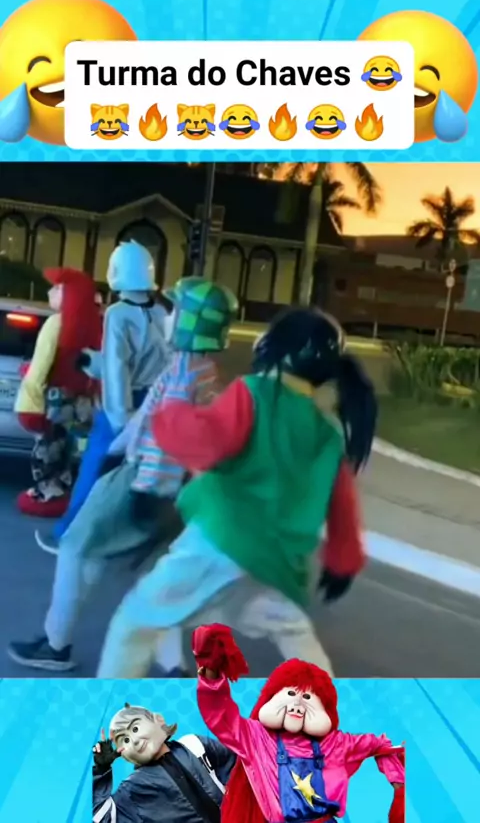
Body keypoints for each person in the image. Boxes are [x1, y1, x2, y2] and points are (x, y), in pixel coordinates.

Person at [95, 306, 376, 680]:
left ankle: (106, 710)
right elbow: (343, 508)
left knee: (135, 623)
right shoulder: (328, 434)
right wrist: (343, 563)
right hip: (275, 561)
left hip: (218, 542)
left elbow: (205, 443)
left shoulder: (253, 393)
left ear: (278, 348)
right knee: (291, 631)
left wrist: (174, 406)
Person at [8, 277, 238, 674]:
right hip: (173, 487)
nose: (169, 316)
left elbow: (166, 438)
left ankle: (55, 645)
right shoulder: (202, 370)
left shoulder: (183, 375)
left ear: (191, 321)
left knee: (76, 547)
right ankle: (175, 667)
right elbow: (147, 420)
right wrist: (112, 453)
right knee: (152, 575)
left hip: (145, 481)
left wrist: (145, 489)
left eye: (176, 310)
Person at [35, 239, 170, 555]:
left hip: (121, 404)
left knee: (94, 469)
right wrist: (92, 362)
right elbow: (153, 360)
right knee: (138, 473)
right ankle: (126, 537)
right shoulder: (161, 311)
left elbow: (117, 367)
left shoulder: (118, 313)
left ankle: (69, 536)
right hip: (154, 403)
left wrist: (119, 415)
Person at [193, 624, 405, 823]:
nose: (297, 704)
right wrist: (212, 675)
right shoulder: (256, 737)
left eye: (307, 697)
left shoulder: (337, 744)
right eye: (291, 693)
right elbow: (220, 715)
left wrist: (397, 778)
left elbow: (380, 745)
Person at [15, 267, 102, 518]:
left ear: (69, 295)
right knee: (70, 452)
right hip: (81, 404)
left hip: (53, 402)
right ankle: (67, 496)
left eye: (57, 288)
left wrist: (30, 402)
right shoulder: (94, 325)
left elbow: (40, 368)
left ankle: (47, 497)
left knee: (47, 451)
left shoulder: (55, 323)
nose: (50, 292)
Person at [93, 702, 236, 823]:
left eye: (135, 728)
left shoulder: (194, 744)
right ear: (124, 755)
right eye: (126, 740)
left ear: (158, 720)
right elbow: (104, 818)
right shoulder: (134, 787)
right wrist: (101, 770)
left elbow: (238, 769)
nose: (135, 741)